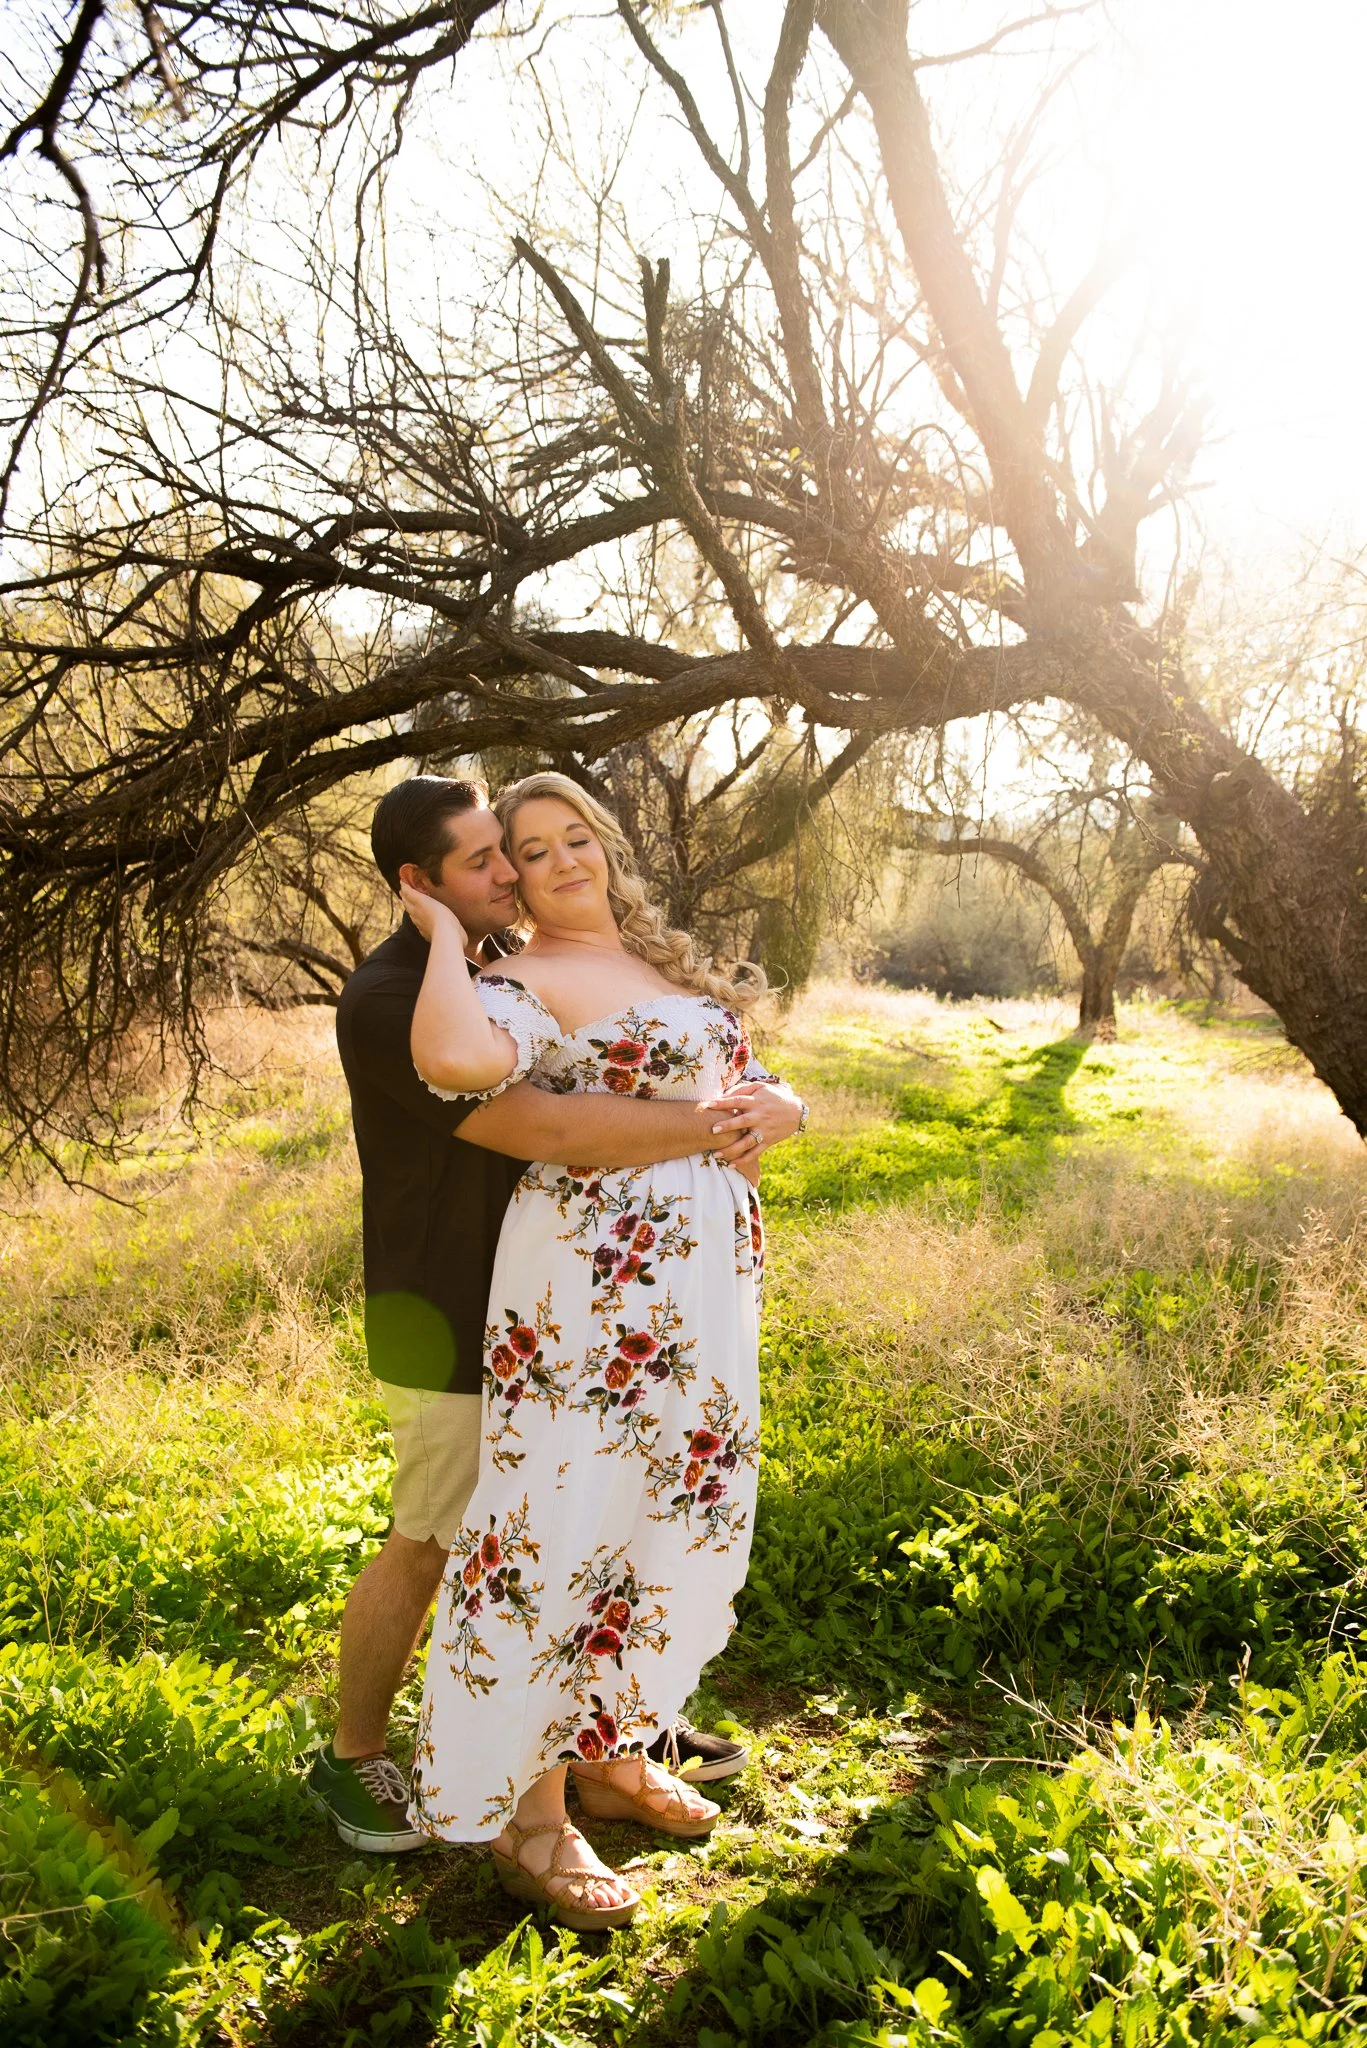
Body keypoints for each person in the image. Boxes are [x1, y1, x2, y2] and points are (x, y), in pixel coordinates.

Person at [307, 776, 803, 1856]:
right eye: (500, 857)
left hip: (649, 1299)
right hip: (452, 1307)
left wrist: (778, 1106)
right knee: (470, 1537)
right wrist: (706, 1124)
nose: (518, 871)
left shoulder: (542, 960)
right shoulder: (422, 989)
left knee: (631, 1521)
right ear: (419, 885)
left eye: (546, 843)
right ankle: (366, 1759)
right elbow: (532, 1118)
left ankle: (609, 1757)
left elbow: (728, 1067)